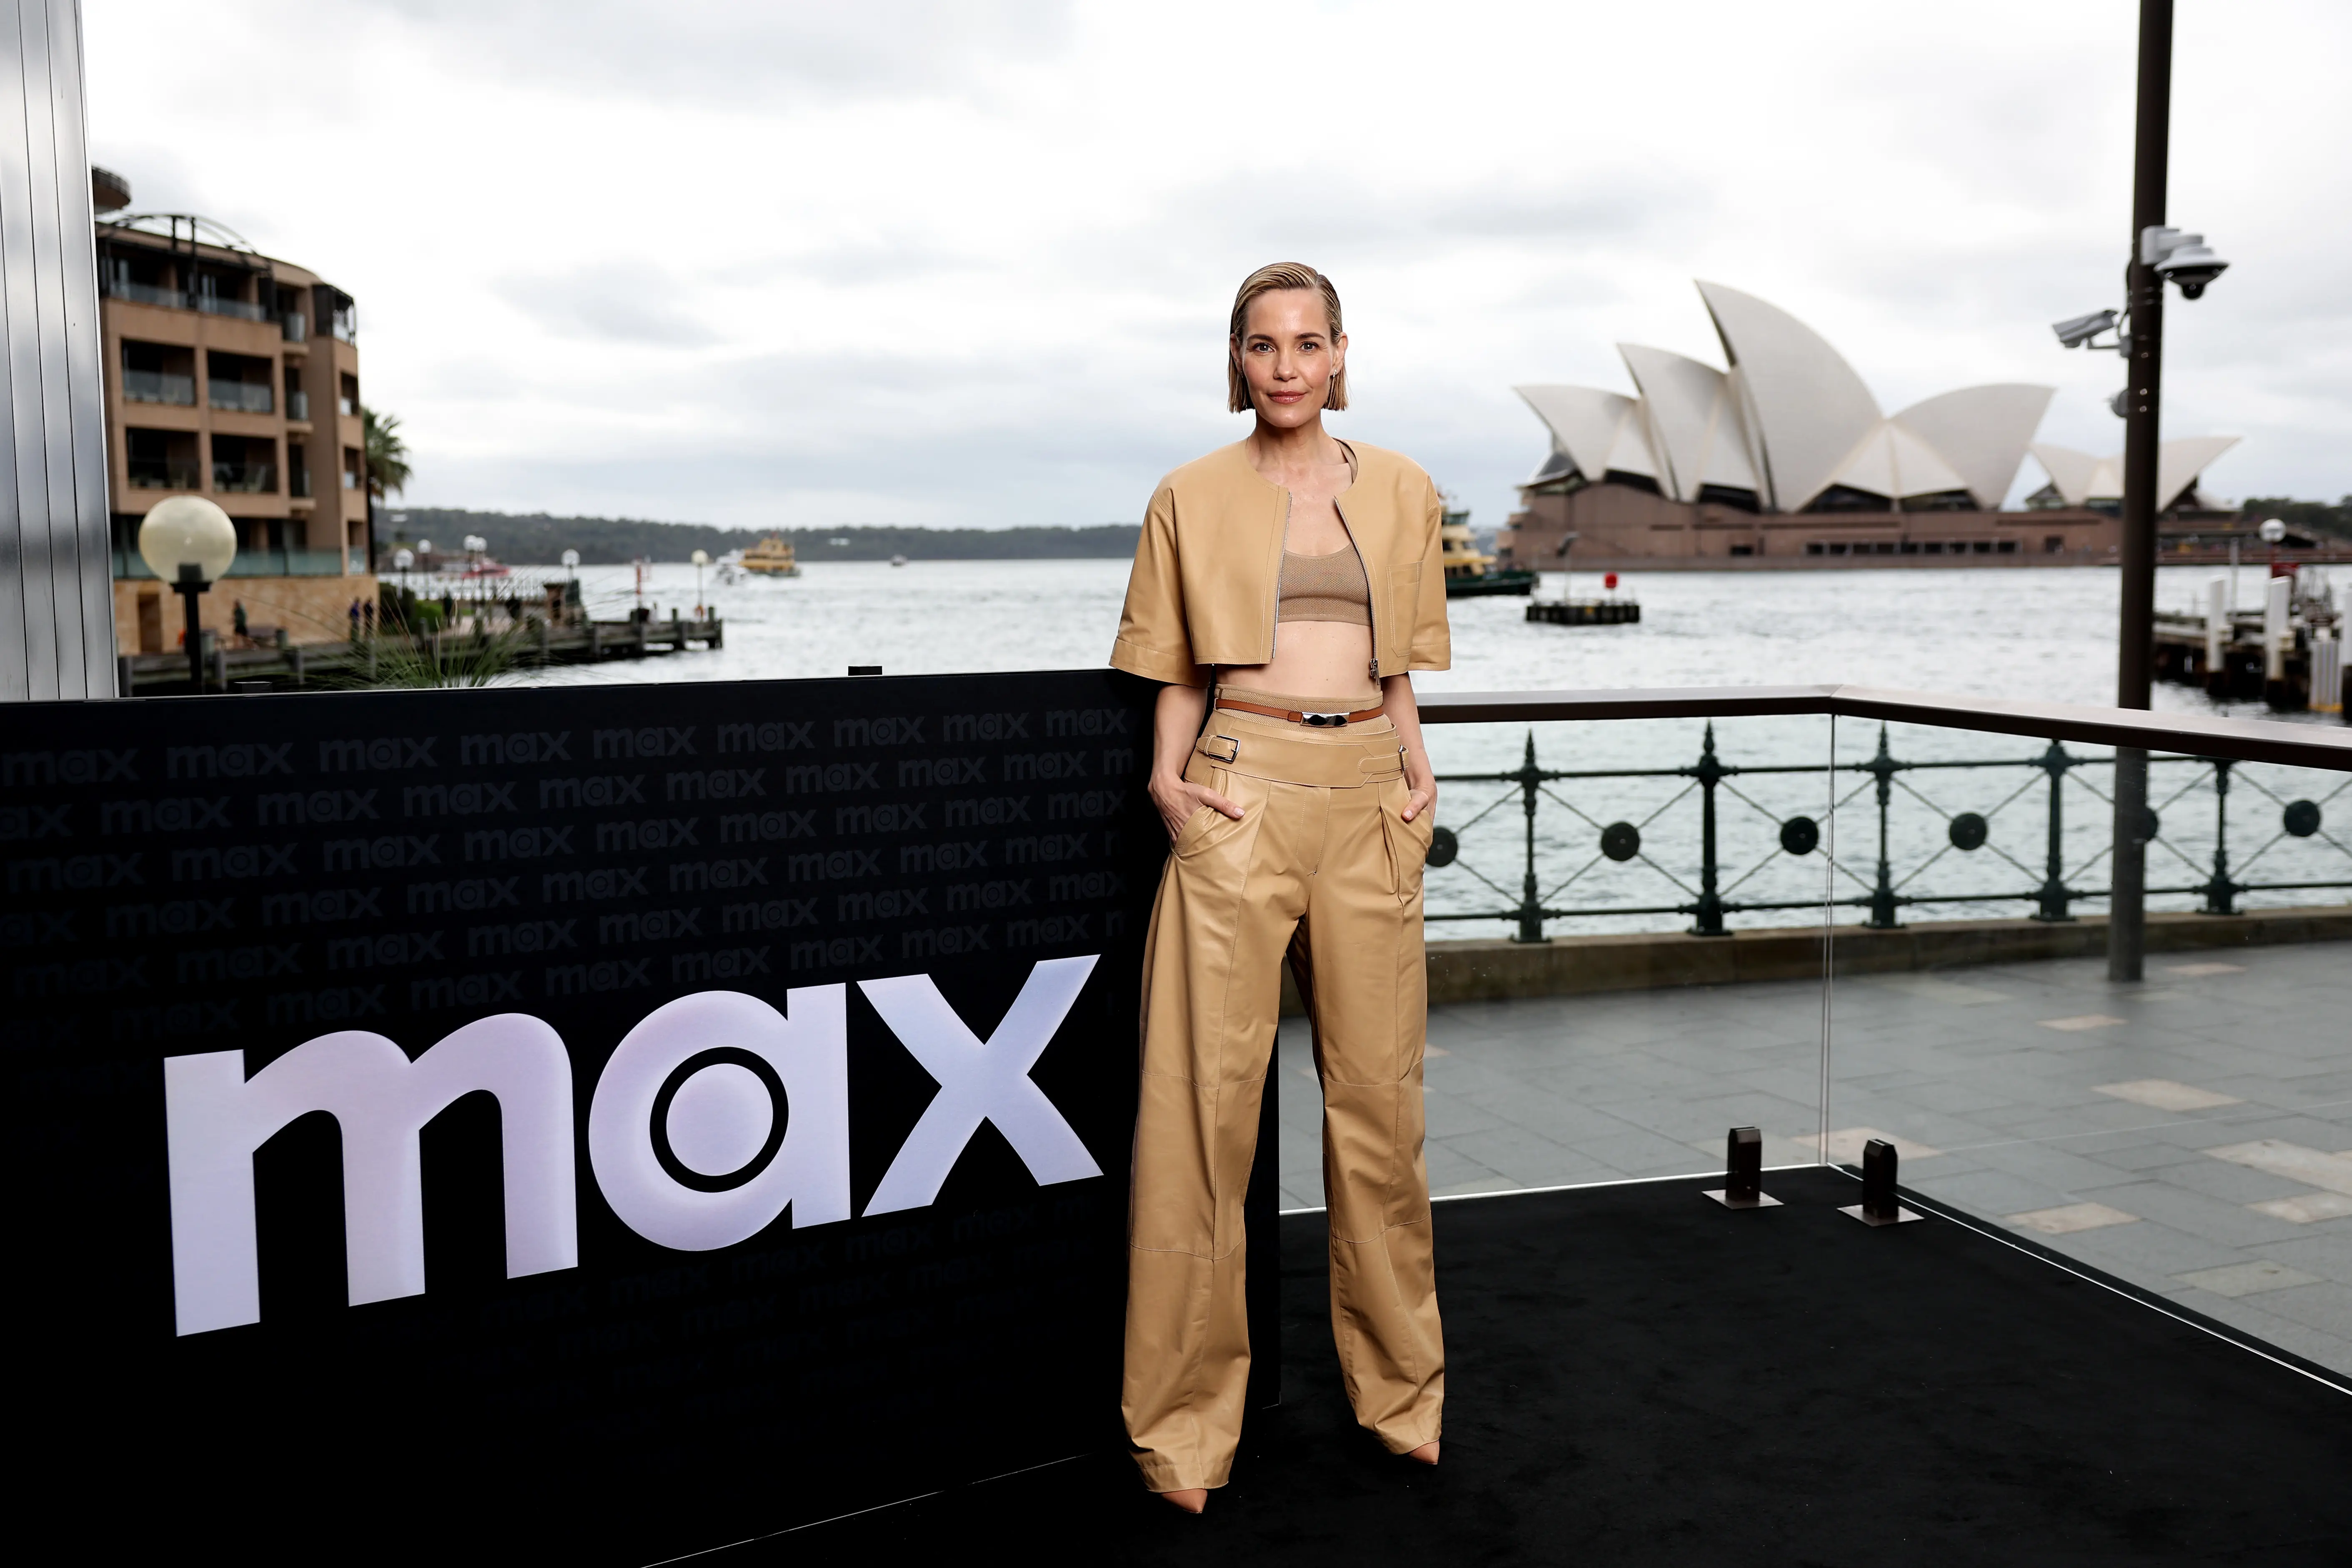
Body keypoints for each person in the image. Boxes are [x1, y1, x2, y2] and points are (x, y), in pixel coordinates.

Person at [1110, 262, 1448, 1513]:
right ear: (1240, 360)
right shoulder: (1190, 495)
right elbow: (1176, 671)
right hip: (1239, 789)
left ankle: (1403, 1395)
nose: (1289, 364)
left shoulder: (1405, 488)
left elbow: (1404, 665)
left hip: (1369, 794)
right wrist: (1169, 785)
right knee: (1200, 1123)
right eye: (1265, 344)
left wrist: (1416, 775)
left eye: (1311, 342)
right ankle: (1185, 1430)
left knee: (1380, 1112)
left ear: (1342, 354)